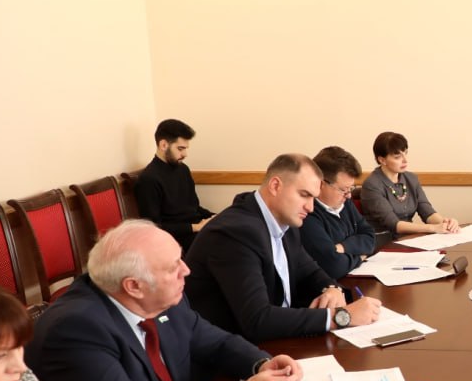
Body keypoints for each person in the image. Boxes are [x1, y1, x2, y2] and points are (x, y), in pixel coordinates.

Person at [26, 221, 304, 381]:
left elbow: (214, 341)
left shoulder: (162, 297)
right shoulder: (76, 329)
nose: (187, 270)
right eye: (173, 267)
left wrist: (261, 364)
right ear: (134, 286)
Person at [185, 153, 381, 341]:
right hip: (229, 352)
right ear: (275, 185)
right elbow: (257, 320)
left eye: (313, 198)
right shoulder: (236, 233)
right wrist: (341, 316)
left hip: (273, 341)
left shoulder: (285, 223)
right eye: (304, 195)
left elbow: (311, 273)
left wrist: (333, 289)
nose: (310, 207)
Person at [133, 118, 215, 253]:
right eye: (180, 149)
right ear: (163, 145)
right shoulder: (148, 179)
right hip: (175, 239)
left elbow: (194, 208)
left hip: (195, 229)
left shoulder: (183, 169)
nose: (185, 154)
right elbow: (153, 228)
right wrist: (195, 227)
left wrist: (214, 217)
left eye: (186, 149)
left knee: (234, 229)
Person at [360, 132, 459, 237]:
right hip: (382, 239)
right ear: (382, 160)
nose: (405, 160)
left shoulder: (411, 178)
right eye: (397, 157)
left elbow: (427, 212)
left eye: (405, 153)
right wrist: (433, 228)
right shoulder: (372, 185)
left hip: (407, 238)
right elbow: (393, 224)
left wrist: (445, 223)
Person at [301, 146, 377, 278]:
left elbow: (370, 237)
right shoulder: (306, 213)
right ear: (321, 184)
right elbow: (334, 266)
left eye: (351, 188)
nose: (349, 195)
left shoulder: (345, 202)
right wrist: (360, 257)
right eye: (343, 189)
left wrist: (343, 247)